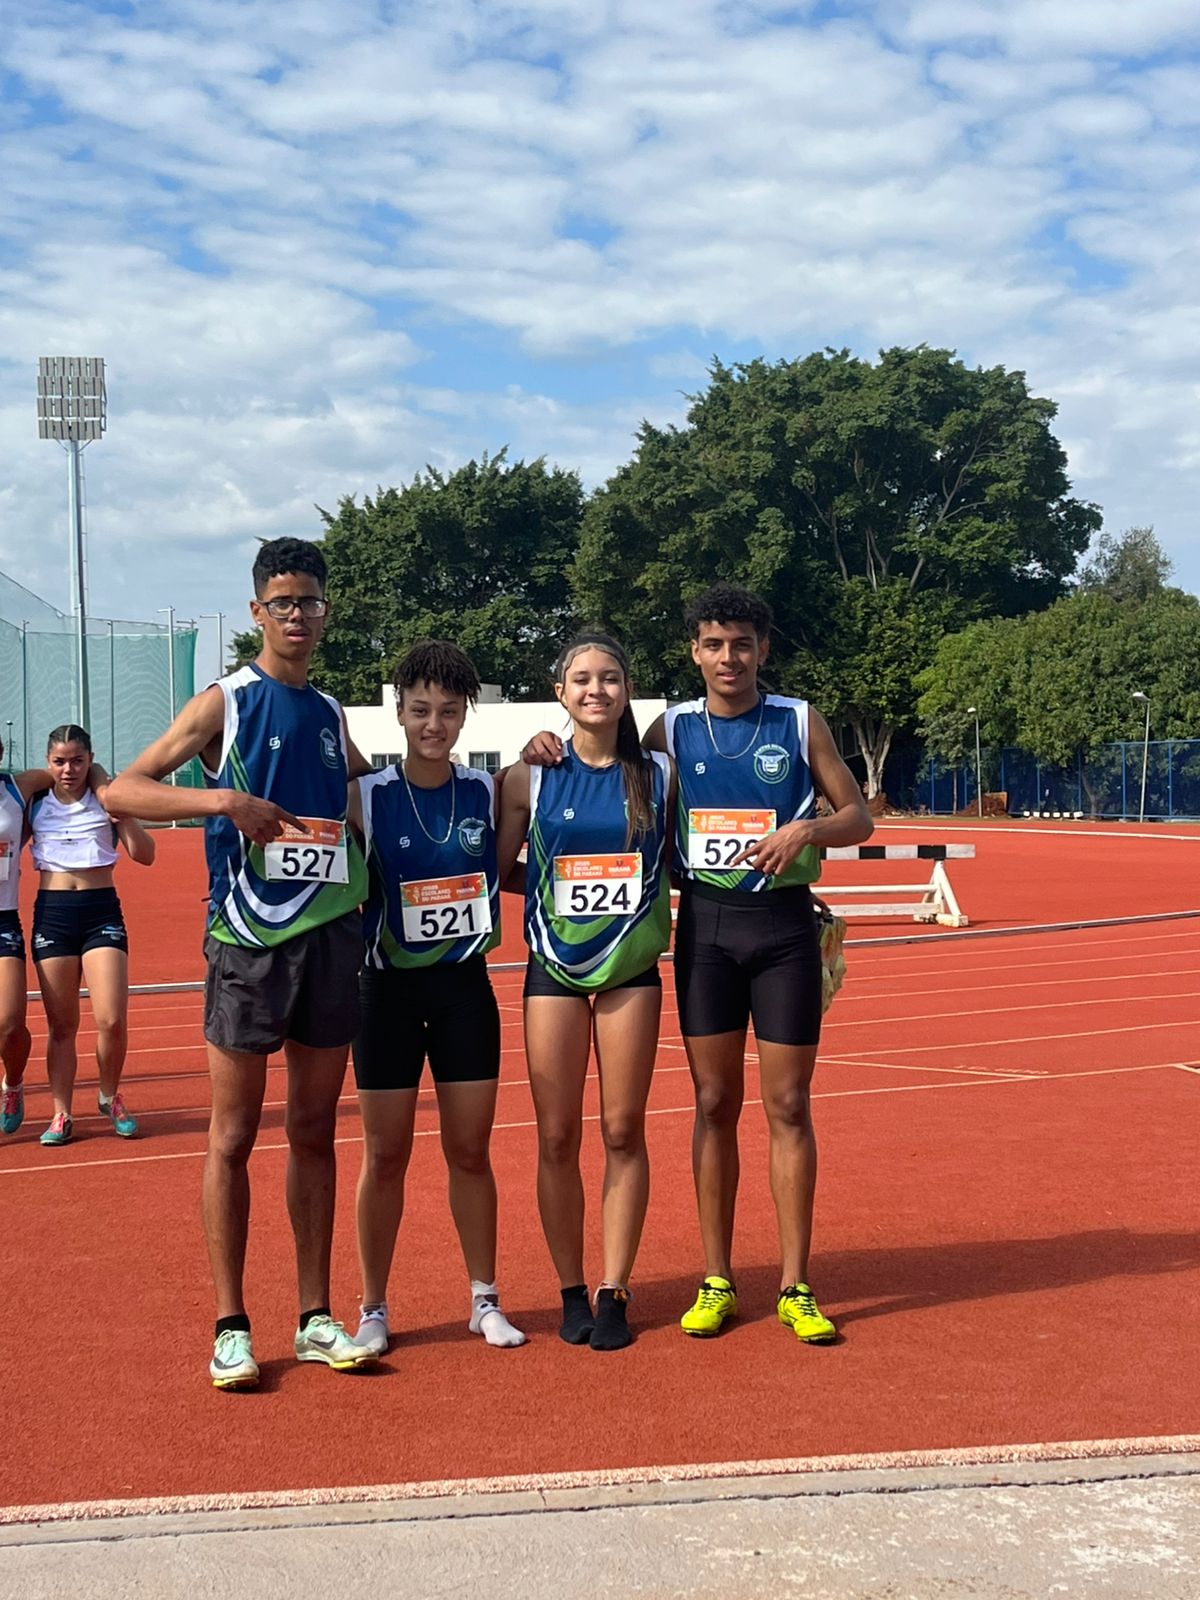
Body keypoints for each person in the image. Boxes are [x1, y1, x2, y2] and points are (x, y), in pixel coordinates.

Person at [522, 585, 873, 1345]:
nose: (728, 658)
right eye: (713, 644)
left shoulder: (799, 720)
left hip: (782, 931)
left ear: (763, 649)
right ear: (694, 652)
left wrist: (806, 830)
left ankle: (795, 1285)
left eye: (742, 643)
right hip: (705, 932)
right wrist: (541, 746)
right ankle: (717, 1278)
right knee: (714, 1102)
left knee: (788, 1106)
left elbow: (860, 817)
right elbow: (603, 749)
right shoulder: (671, 728)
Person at [103, 536, 375, 1391]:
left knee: (316, 1132)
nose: (298, 615)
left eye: (311, 602)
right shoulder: (228, 699)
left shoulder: (331, 714)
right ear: (258, 611)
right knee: (231, 1135)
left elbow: (366, 797)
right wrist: (221, 798)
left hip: (329, 942)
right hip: (248, 946)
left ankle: (316, 1315)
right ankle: (230, 1325)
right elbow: (125, 789)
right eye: (283, 602)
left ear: (327, 614)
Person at [348, 640, 525, 1358]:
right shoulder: (365, 794)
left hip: (463, 992)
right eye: (420, 710)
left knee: (470, 1152)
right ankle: (372, 1309)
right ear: (398, 712)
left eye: (448, 712)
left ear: (465, 717)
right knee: (384, 1155)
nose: (433, 724)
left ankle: (484, 1299)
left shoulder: (490, 791)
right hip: (384, 992)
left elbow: (514, 868)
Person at [499, 633, 674, 1351]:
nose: (595, 689)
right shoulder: (528, 776)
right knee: (557, 1135)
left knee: (623, 1130)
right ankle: (569, 1288)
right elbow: (491, 868)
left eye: (609, 678)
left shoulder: (661, 772)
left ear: (627, 690)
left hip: (631, 969)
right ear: (559, 691)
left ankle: (615, 1289)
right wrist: (553, 892)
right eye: (581, 679)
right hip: (555, 971)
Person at [28, 725, 155, 1147]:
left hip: (101, 912)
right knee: (61, 1024)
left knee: (112, 1019)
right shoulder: (36, 805)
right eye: (60, 761)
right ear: (48, 763)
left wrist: (123, 815)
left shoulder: (107, 799)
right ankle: (61, 1113)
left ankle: (108, 1095)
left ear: (90, 759)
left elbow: (145, 854)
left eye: (78, 760)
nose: (69, 769)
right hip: (54, 915)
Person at [0, 736, 61, 1137]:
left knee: (8, 1023)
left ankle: (14, 1083)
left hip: (3, 920)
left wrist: (102, 781)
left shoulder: (16, 788)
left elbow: (56, 773)